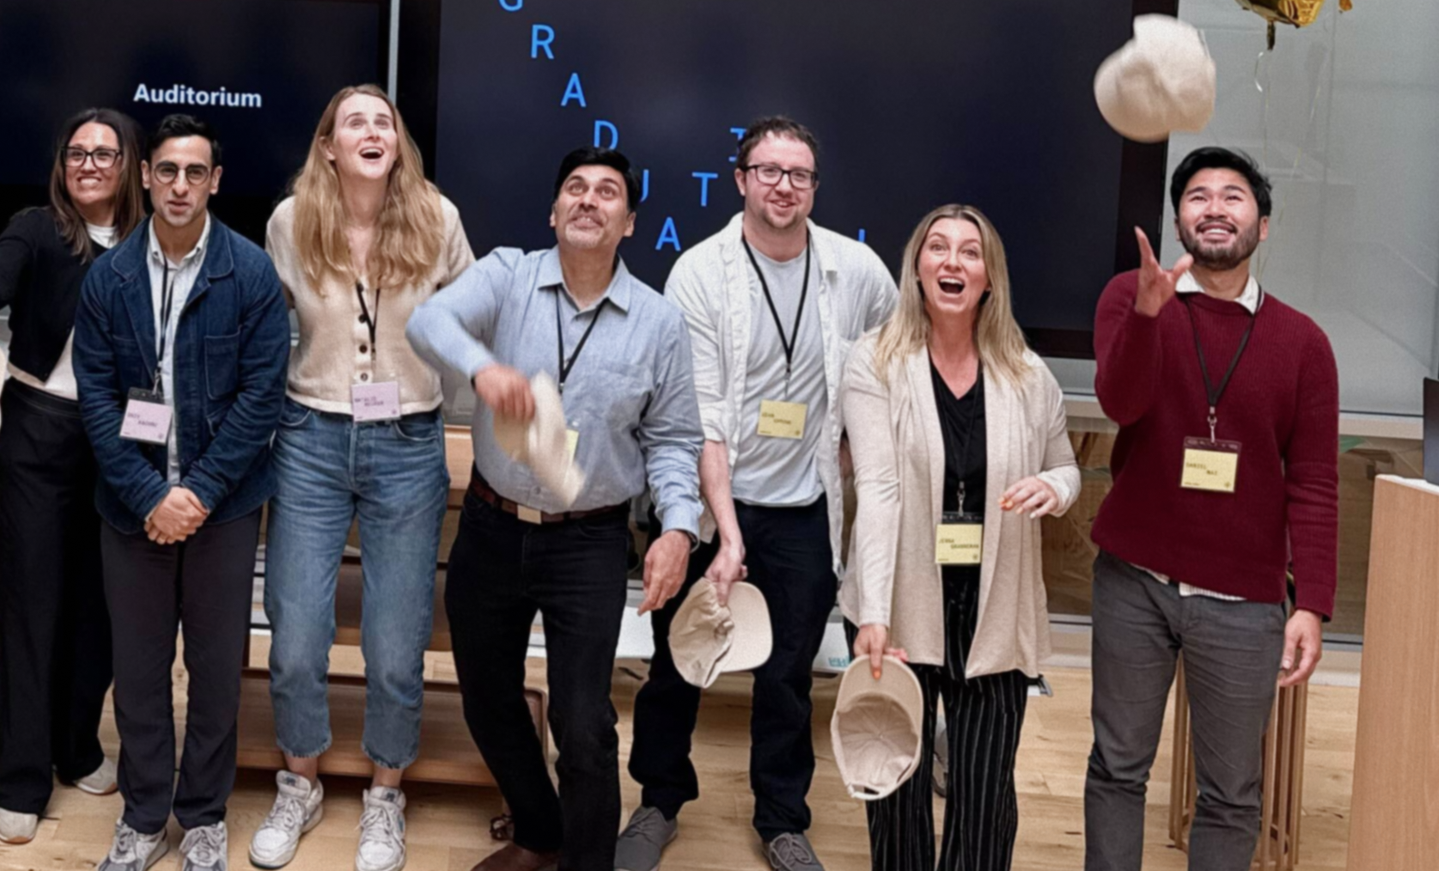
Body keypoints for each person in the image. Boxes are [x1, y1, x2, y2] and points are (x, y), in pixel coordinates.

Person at [409, 146, 705, 872]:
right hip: (489, 525)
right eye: (575, 187)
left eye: (608, 193)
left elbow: (672, 440)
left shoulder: (659, 323)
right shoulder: (508, 274)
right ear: (553, 210)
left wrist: (678, 527)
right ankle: (541, 830)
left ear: (629, 223)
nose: (588, 200)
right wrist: (482, 366)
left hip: (590, 542)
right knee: (485, 696)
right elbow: (428, 321)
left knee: (584, 722)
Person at [637, 117, 896, 872]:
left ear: (815, 186)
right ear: (741, 177)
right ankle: (657, 802)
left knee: (787, 673)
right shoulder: (699, 271)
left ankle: (783, 819)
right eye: (769, 170)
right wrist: (726, 535)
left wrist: (851, 452)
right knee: (680, 661)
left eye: (800, 173)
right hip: (711, 501)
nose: (785, 185)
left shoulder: (856, 269)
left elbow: (885, 363)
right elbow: (703, 416)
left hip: (807, 507)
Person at [1084, 148, 1337, 871]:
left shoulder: (1305, 344)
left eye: (1234, 195)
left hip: (1244, 600)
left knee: (1231, 793)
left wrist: (1311, 602)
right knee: (1117, 766)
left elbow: (1315, 481)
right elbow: (1120, 404)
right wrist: (1144, 316)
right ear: (1177, 219)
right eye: (1198, 196)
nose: (1216, 207)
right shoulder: (1130, 298)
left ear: (1264, 224)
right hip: (1135, 579)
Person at [251, 86, 477, 872]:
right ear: (328, 146)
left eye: (385, 121)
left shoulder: (438, 219)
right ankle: (300, 779)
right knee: (297, 631)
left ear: (397, 143)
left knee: (394, 642)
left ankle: (386, 793)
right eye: (356, 121)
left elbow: (471, 318)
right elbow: (262, 324)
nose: (374, 130)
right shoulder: (289, 222)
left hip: (409, 440)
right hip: (308, 437)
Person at [72, 114, 291, 872]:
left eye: (195, 172)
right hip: (132, 507)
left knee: (214, 669)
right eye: (166, 170)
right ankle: (141, 813)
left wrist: (193, 493)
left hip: (222, 507)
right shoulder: (110, 278)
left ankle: (200, 815)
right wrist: (148, 497)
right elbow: (96, 401)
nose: (179, 185)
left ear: (215, 181)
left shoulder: (251, 272)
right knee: (136, 671)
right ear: (145, 175)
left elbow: (262, 398)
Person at [840, 205, 1079, 871]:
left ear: (989, 277)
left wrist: (1055, 489)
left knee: (983, 799)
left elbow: (1065, 464)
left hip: (995, 610)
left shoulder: (1028, 374)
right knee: (895, 786)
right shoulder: (876, 361)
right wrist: (876, 613)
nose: (953, 261)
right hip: (902, 604)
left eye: (969, 252)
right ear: (917, 270)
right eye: (937, 248)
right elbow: (880, 489)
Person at [0, 109, 144, 845]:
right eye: (77, 153)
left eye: (105, 153)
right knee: (32, 605)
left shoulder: (150, 244)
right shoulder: (37, 226)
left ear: (129, 165)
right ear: (63, 163)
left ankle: (77, 745)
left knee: (104, 607)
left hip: (123, 440)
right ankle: (20, 776)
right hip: (38, 434)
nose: (89, 164)